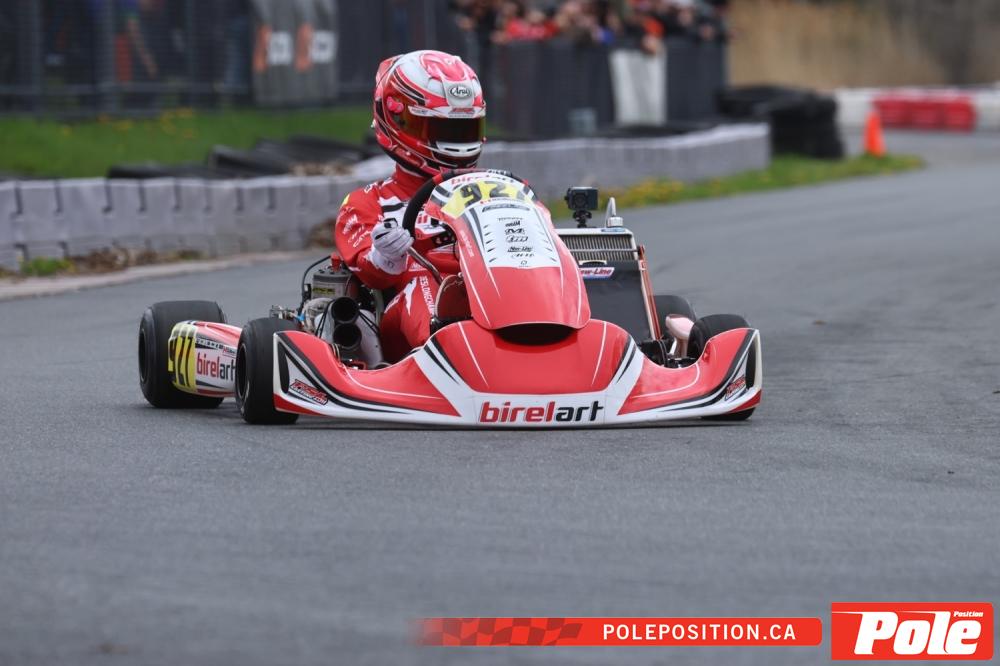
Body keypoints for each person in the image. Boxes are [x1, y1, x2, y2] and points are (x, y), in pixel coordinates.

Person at [334, 50, 486, 362]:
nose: (456, 141)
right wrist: (386, 256)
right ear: (397, 120)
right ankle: (450, 359)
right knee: (421, 285)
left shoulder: (499, 192)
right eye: (442, 130)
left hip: (493, 299)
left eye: (465, 130)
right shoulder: (368, 203)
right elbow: (371, 275)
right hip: (409, 324)